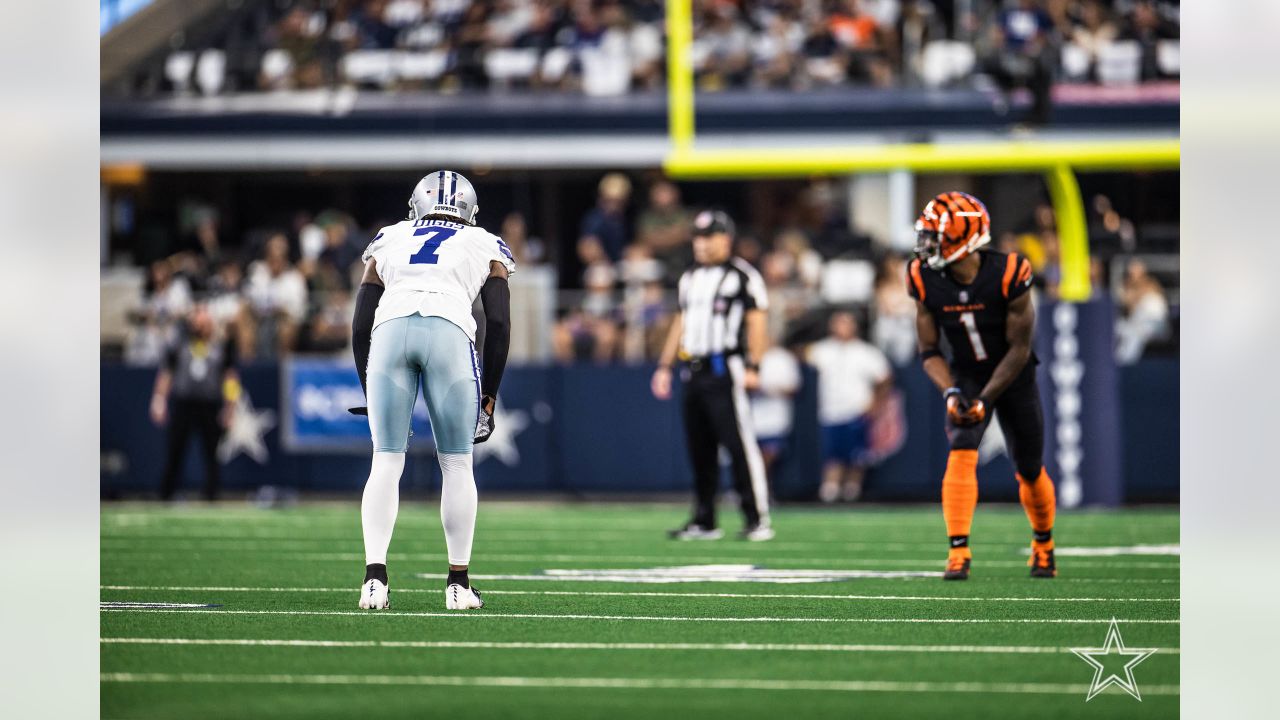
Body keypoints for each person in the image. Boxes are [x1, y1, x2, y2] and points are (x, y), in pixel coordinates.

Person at [348, 170, 516, 611]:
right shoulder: (485, 242)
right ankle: (458, 585)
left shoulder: (392, 236)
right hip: (449, 328)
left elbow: (362, 317)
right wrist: (490, 394)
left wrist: (369, 386)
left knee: (385, 459)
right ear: (470, 211)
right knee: (458, 463)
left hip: (389, 329)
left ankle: (374, 579)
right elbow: (497, 321)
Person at [907, 191, 1057, 581]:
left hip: (1013, 373)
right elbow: (927, 350)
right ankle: (958, 552)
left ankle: (1043, 543)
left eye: (935, 237)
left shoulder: (1010, 272)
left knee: (1029, 467)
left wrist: (986, 399)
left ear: (965, 240)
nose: (927, 246)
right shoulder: (922, 277)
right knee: (961, 446)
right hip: (967, 374)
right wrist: (952, 392)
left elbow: (1020, 347)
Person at [651, 210, 773, 542]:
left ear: (725, 239)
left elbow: (757, 321)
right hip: (693, 369)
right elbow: (680, 322)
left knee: (739, 445)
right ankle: (705, 519)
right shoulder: (689, 277)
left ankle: (756, 517)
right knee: (699, 448)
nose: (701, 244)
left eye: (709, 237)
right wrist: (665, 365)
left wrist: (754, 365)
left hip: (725, 368)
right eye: (698, 237)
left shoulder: (743, 276)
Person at [149, 305, 239, 502]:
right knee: (176, 450)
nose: (200, 326)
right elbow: (166, 373)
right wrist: (158, 400)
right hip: (184, 403)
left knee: (212, 453)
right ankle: (167, 493)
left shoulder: (221, 346)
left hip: (209, 404)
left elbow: (230, 378)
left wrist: (230, 407)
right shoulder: (180, 344)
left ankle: (211, 495)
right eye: (197, 322)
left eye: (204, 322)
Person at [806, 310, 892, 503]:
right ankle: (830, 488)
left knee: (856, 455)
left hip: (856, 410)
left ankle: (852, 490)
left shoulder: (866, 352)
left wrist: (875, 403)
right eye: (838, 323)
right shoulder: (823, 349)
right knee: (832, 453)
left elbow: (885, 378)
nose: (842, 328)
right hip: (830, 410)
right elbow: (802, 354)